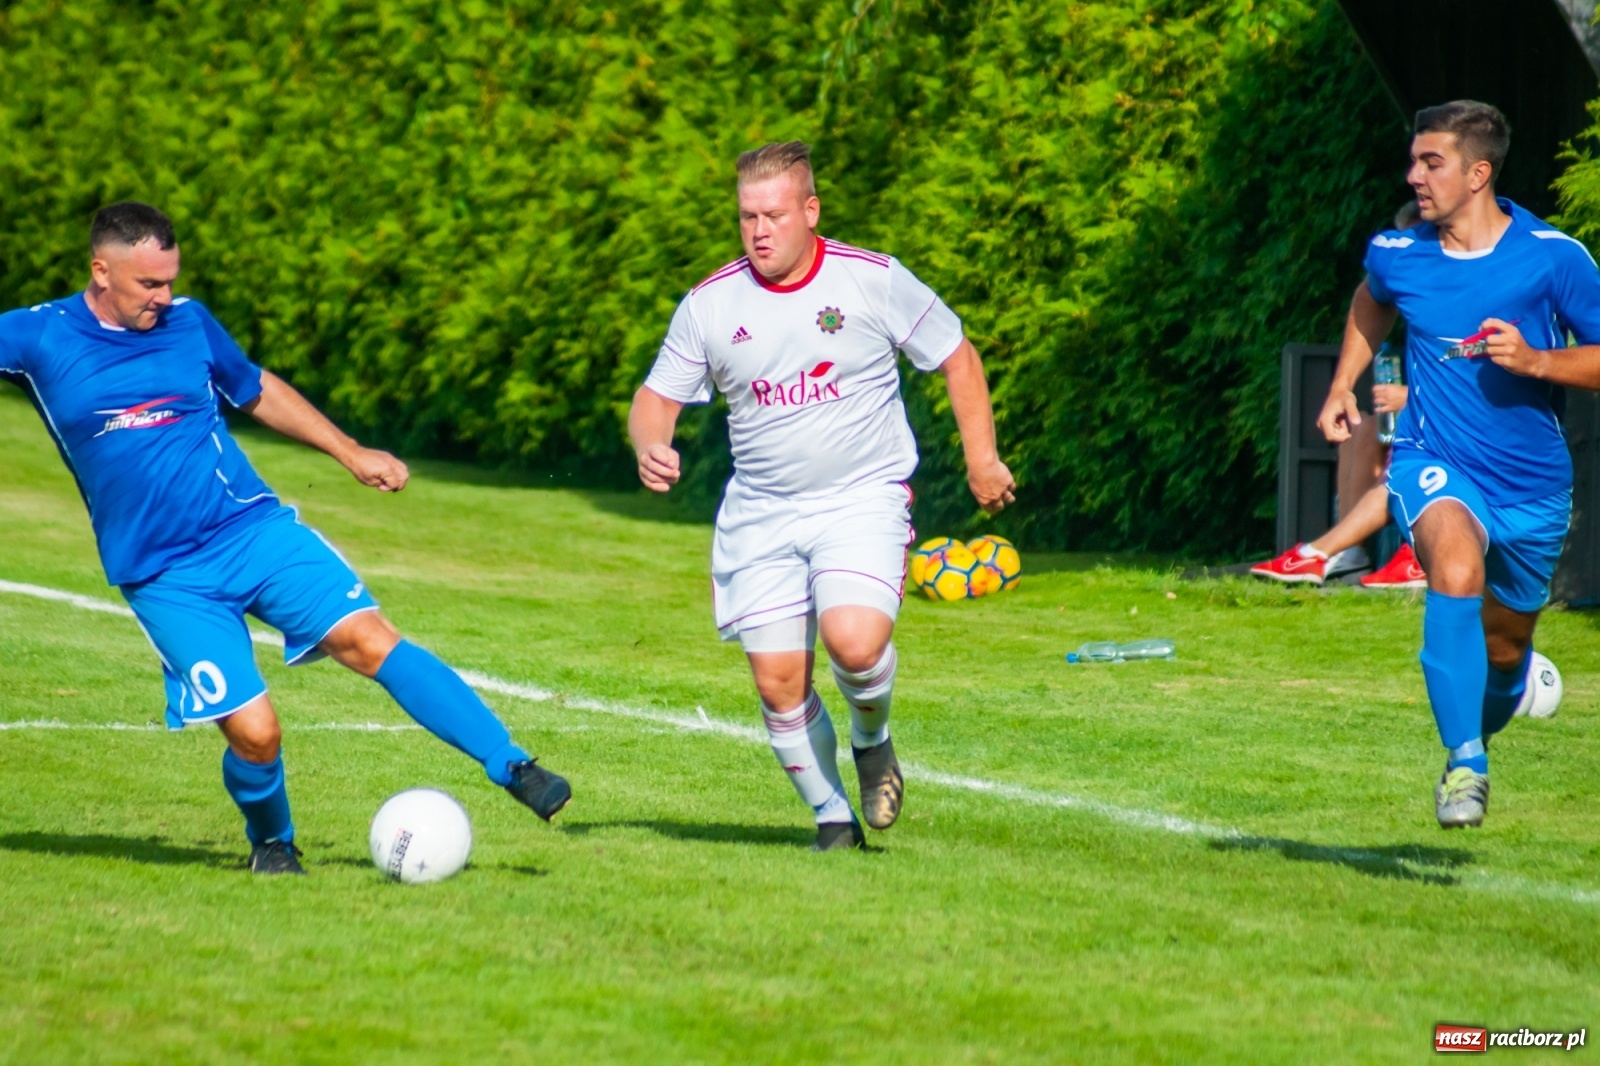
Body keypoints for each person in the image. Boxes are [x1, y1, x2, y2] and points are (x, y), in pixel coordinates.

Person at [0, 203, 572, 874]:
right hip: (164, 576)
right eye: (148, 285)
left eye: (169, 281)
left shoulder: (189, 322)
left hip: (251, 530)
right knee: (256, 733)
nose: (164, 297)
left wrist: (350, 451)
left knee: (368, 638)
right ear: (101, 270)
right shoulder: (38, 337)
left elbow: (255, 390)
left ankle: (514, 766)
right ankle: (273, 841)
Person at [627, 142, 1015, 850]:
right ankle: (833, 822)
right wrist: (652, 443)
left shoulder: (871, 281)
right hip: (762, 512)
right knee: (779, 684)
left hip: (859, 498)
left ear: (810, 211)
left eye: (773, 214)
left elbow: (957, 355)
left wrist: (981, 460)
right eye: (747, 217)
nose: (759, 231)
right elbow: (656, 399)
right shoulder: (711, 305)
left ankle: (873, 740)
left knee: (855, 644)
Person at [1316, 101, 1600, 828]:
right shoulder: (1397, 252)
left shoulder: (1552, 257)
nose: (1414, 176)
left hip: (1532, 487)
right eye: (1413, 161)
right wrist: (1343, 384)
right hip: (1434, 461)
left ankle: (1490, 709)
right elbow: (1371, 302)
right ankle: (1466, 765)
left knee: (1505, 651)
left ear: (1479, 173)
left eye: (1430, 162)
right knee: (1454, 569)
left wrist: (1539, 361)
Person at [1252, 201, 1425, 588]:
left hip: (1461, 438)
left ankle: (1331, 551)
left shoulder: (1471, 288)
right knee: (1360, 430)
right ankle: (1349, 553)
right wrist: (1343, 388)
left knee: (1401, 462)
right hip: (1425, 426)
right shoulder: (1408, 303)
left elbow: (1473, 386)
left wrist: (1409, 398)